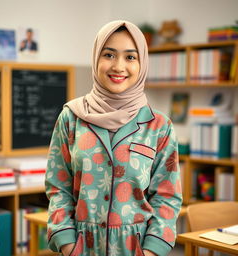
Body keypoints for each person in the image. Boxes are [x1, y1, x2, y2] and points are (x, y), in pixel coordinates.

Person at [45, 20, 182, 256]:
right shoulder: (70, 118)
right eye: (109, 54)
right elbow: (58, 187)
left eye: (130, 57)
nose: (118, 66)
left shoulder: (159, 126)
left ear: (142, 64)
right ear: (96, 58)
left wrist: (150, 251)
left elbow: (167, 197)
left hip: (135, 249)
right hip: (82, 247)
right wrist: (68, 245)